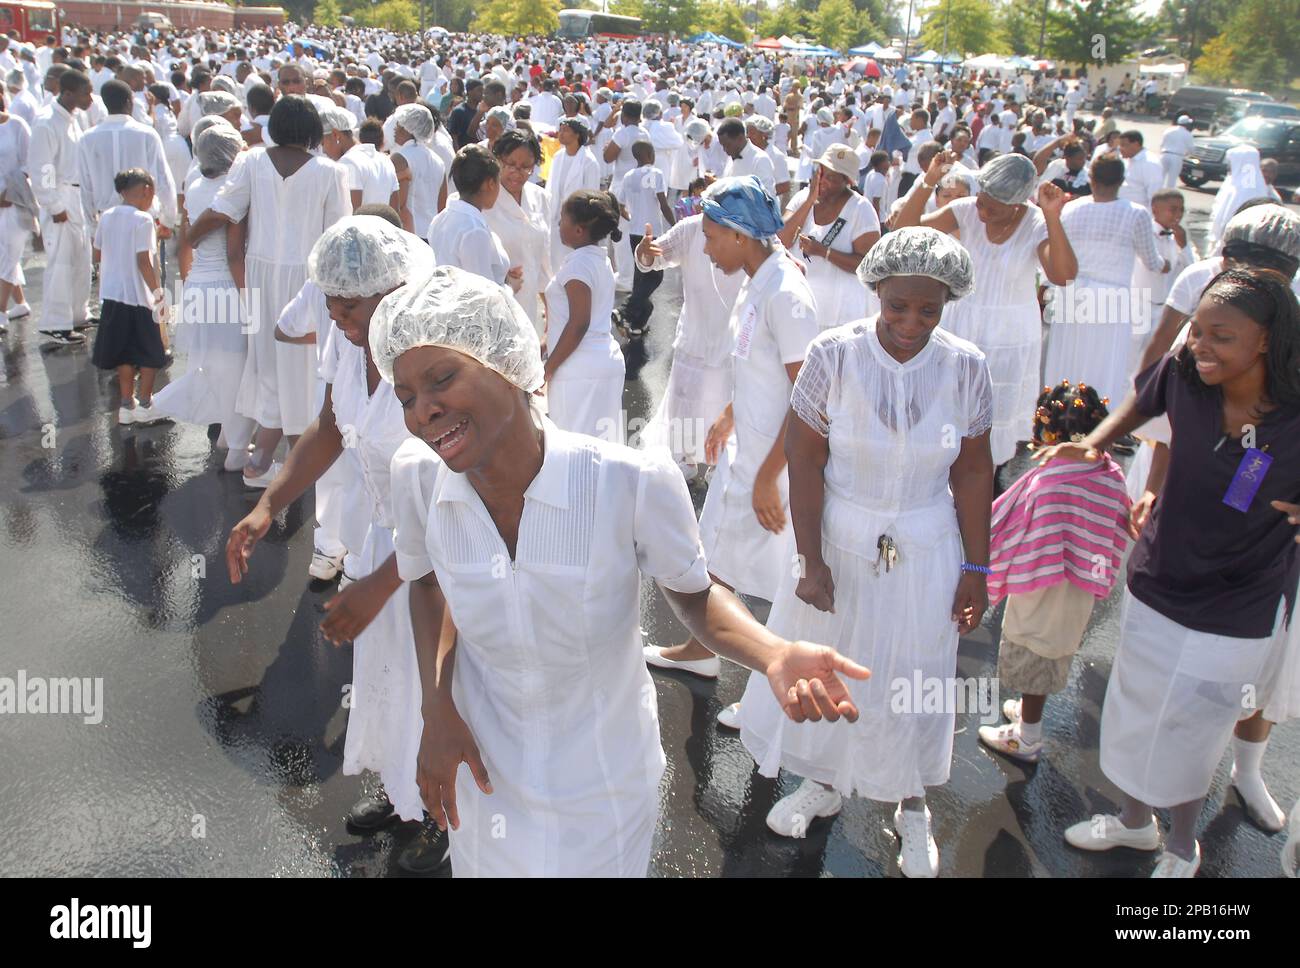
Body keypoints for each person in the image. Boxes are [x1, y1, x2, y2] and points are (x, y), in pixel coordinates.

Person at [377, 264, 870, 877]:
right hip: (484, 769)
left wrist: (771, 653)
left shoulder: (626, 482)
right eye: (405, 398)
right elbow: (426, 583)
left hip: (601, 784)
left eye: (441, 379)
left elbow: (693, 594)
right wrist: (437, 710)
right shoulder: (417, 476)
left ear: (506, 361)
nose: (422, 411)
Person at [737, 226, 993, 878]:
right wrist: (810, 560)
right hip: (842, 545)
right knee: (834, 666)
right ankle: (824, 783)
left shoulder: (966, 366)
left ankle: (910, 804)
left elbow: (971, 471)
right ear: (875, 291)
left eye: (928, 309)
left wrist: (975, 567)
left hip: (928, 546)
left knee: (914, 673)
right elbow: (805, 457)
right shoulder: (833, 355)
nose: (911, 322)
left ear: (946, 304)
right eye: (898, 305)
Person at [1051, 268, 1300, 878]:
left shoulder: (1295, 415)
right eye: (1197, 330)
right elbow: (1145, 400)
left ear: (1265, 341)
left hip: (1239, 603)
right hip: (1160, 576)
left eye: (1222, 336)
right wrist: (1098, 441)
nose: (1200, 345)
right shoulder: (1186, 375)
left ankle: (1182, 845)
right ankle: (1136, 824)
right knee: (1137, 706)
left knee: (1195, 724)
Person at [226, 214, 441, 870]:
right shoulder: (348, 345)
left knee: (441, 683)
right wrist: (269, 505)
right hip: (383, 543)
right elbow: (327, 427)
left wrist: (382, 583)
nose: (338, 318)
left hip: (440, 558)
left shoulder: (433, 360)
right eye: (330, 304)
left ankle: (447, 806)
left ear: (392, 293)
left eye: (349, 306)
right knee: (390, 679)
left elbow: (463, 497)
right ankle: (407, 792)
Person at [644, 176, 818, 690]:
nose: (705, 246)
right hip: (748, 450)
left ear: (740, 235)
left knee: (784, 581)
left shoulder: (786, 295)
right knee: (714, 558)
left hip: (776, 462)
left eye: (712, 235)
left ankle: (779, 697)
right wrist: (728, 415)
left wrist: (768, 476)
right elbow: (755, 370)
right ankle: (702, 650)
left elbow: (808, 397)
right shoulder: (756, 279)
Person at [188, 95, 352, 488]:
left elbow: (225, 209)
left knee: (265, 365)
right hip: (309, 280)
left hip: (258, 278)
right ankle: (286, 463)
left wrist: (188, 237)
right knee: (304, 369)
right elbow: (338, 238)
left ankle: (257, 457)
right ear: (314, 131)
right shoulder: (330, 172)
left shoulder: (251, 161)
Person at [978, 382, 1131, 762]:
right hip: (1077, 589)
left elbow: (1021, 532)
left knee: (1034, 651)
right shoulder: (1111, 475)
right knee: (1050, 654)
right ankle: (1029, 712)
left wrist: (995, 563)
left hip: (1040, 583)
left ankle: (1026, 738)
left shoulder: (1051, 482)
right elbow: (1115, 529)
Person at [895, 150, 1077, 468]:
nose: (980, 205)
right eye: (981, 196)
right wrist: (928, 181)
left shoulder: (1036, 224)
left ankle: (984, 485)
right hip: (961, 328)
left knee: (992, 426)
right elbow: (905, 230)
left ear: (1016, 204)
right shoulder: (965, 211)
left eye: (991, 203)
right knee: (946, 411)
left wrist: (1052, 216)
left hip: (1009, 343)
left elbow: (1062, 275)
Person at [150, 123, 253, 469]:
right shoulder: (233, 188)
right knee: (238, 370)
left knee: (216, 366)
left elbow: (187, 238)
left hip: (198, 285)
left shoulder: (194, 184)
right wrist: (250, 301)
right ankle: (237, 449)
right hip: (227, 286)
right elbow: (235, 254)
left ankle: (228, 436)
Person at [634, 175, 745, 473]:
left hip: (731, 342)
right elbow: (653, 258)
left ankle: (717, 466)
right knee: (686, 404)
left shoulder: (749, 234)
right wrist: (645, 252)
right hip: (693, 337)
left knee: (723, 402)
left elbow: (777, 262)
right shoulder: (691, 229)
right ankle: (681, 463)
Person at [1043, 154, 1168, 405]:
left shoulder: (1071, 208)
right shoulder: (1136, 213)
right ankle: (1096, 422)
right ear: (1122, 180)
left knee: (1068, 358)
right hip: (1112, 296)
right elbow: (1152, 261)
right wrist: (1168, 262)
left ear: (1091, 178)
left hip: (1073, 292)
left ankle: (1059, 417)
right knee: (1105, 363)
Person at [543, 189, 625, 441]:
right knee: (602, 450)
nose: (558, 223)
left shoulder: (578, 265)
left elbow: (579, 323)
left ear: (579, 230)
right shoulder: (600, 260)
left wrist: (548, 369)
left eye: (563, 219)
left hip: (578, 370)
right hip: (603, 363)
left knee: (573, 450)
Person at [90, 169, 169, 425]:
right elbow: (143, 261)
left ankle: (126, 404)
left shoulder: (107, 216)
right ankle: (146, 403)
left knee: (123, 351)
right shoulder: (143, 220)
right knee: (150, 351)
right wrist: (158, 293)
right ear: (146, 190)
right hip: (138, 296)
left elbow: (97, 253)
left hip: (112, 295)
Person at [777, 144, 881, 329]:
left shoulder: (861, 209)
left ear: (847, 181)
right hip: (799, 308)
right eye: (821, 173)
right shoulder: (803, 198)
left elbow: (867, 266)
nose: (823, 181)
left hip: (841, 317)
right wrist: (810, 201)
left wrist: (824, 252)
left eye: (832, 178)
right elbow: (782, 239)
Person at [27, 67, 93, 344]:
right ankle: (56, 322)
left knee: (81, 259)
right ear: (67, 93)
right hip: (61, 196)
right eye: (84, 92)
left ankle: (78, 314)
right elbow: (42, 169)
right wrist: (54, 206)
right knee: (61, 262)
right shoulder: (47, 122)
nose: (89, 97)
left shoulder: (75, 118)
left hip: (78, 196)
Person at [484, 129, 551, 333]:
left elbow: (544, 260)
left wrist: (550, 308)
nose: (517, 172)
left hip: (528, 309)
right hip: (492, 309)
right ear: (497, 160)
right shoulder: (484, 200)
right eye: (510, 164)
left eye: (526, 167)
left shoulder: (540, 198)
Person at [426, 143, 518, 291]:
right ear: (490, 183)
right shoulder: (473, 230)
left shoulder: (442, 218)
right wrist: (510, 287)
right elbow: (482, 294)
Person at [615, 140, 674, 338]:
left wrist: (632, 218)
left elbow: (620, 205)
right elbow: (663, 204)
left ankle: (637, 324)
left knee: (641, 278)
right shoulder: (656, 174)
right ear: (650, 153)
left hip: (635, 233)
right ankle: (624, 310)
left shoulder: (628, 176)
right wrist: (675, 226)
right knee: (655, 276)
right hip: (652, 233)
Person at [0, 90, 33, 333]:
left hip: (14, 201)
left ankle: (1, 310)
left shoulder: (16, 125)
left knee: (9, 254)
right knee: (4, 254)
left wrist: (7, 192)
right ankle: (20, 303)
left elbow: (29, 162)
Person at [547, 116, 601, 263]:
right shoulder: (557, 157)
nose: (561, 134)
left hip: (576, 222)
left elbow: (591, 195)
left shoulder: (589, 162)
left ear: (577, 134)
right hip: (554, 218)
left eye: (566, 130)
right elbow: (550, 186)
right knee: (553, 259)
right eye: (560, 130)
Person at [390, 102, 447, 237]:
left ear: (408, 129)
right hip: (432, 235)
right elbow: (441, 207)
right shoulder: (438, 161)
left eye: (399, 125)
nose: (394, 129)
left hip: (410, 235)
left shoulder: (400, 158)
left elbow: (400, 205)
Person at [1159, 115, 1195, 190]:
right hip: (1177, 157)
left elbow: (1161, 144)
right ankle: (1167, 197)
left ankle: (1155, 194)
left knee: (1160, 177)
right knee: (1172, 180)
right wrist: (1187, 155)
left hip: (1165, 154)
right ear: (1187, 124)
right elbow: (1191, 149)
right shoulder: (1187, 134)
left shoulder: (1168, 130)